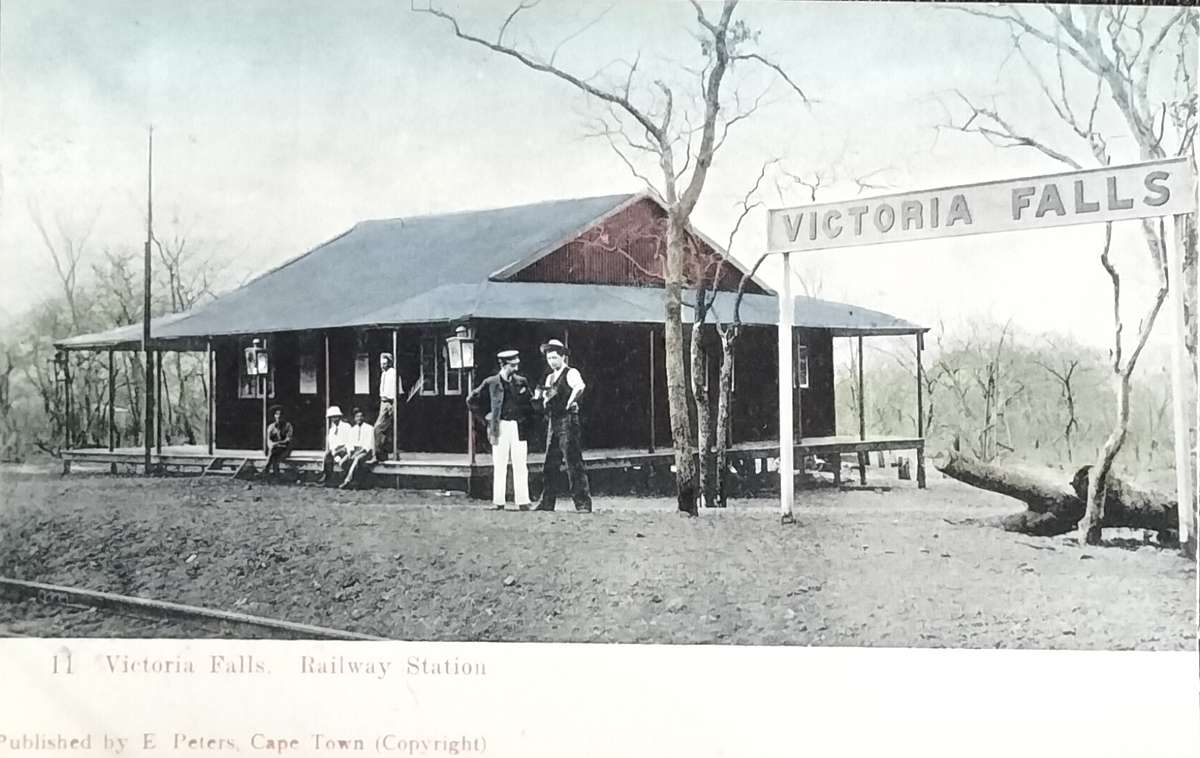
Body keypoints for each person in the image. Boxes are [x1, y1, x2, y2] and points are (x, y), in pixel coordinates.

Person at [467, 349, 534, 511]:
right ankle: (498, 501)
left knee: (521, 464)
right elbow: (471, 400)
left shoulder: (522, 382)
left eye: (517, 364)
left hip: (518, 427)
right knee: (499, 464)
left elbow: (531, 402)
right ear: (503, 365)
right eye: (512, 365)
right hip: (499, 427)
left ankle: (523, 501)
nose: (516, 368)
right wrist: (485, 418)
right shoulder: (491, 382)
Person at [533, 339, 592, 513]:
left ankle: (582, 503)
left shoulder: (571, 372)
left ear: (562, 357)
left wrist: (570, 402)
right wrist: (541, 398)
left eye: (554, 358)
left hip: (568, 420)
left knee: (573, 461)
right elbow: (545, 398)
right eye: (549, 358)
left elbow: (580, 387)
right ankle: (547, 502)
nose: (551, 362)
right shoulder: (550, 377)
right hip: (554, 421)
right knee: (550, 462)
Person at [340, 407, 376, 490]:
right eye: (357, 416)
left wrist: (358, 453)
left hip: (365, 451)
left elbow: (369, 444)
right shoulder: (353, 429)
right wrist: (350, 452)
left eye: (361, 416)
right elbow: (349, 442)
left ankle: (347, 480)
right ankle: (351, 480)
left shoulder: (369, 428)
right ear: (354, 418)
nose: (359, 418)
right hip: (354, 450)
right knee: (342, 461)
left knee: (356, 459)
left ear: (363, 417)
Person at [374, 353, 401, 460]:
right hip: (383, 402)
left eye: (384, 363)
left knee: (379, 428)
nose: (382, 366)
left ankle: (380, 453)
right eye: (381, 364)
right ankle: (382, 454)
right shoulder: (384, 374)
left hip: (389, 402)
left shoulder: (392, 373)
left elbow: (394, 390)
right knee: (382, 430)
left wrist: (392, 404)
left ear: (389, 363)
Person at [318, 406, 353, 486]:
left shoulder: (346, 426)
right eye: (332, 417)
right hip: (336, 450)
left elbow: (350, 440)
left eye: (335, 417)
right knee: (327, 456)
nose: (334, 419)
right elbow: (332, 443)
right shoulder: (332, 430)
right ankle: (327, 478)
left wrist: (345, 449)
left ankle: (346, 480)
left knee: (344, 461)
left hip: (344, 449)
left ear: (339, 417)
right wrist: (334, 452)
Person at [262, 405, 293, 480]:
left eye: (280, 415)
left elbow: (288, 439)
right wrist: (272, 445)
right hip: (274, 449)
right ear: (274, 416)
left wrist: (278, 443)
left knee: (274, 452)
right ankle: (275, 473)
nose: (278, 416)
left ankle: (266, 469)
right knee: (274, 453)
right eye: (277, 414)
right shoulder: (271, 427)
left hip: (284, 449)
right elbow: (268, 440)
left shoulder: (288, 426)